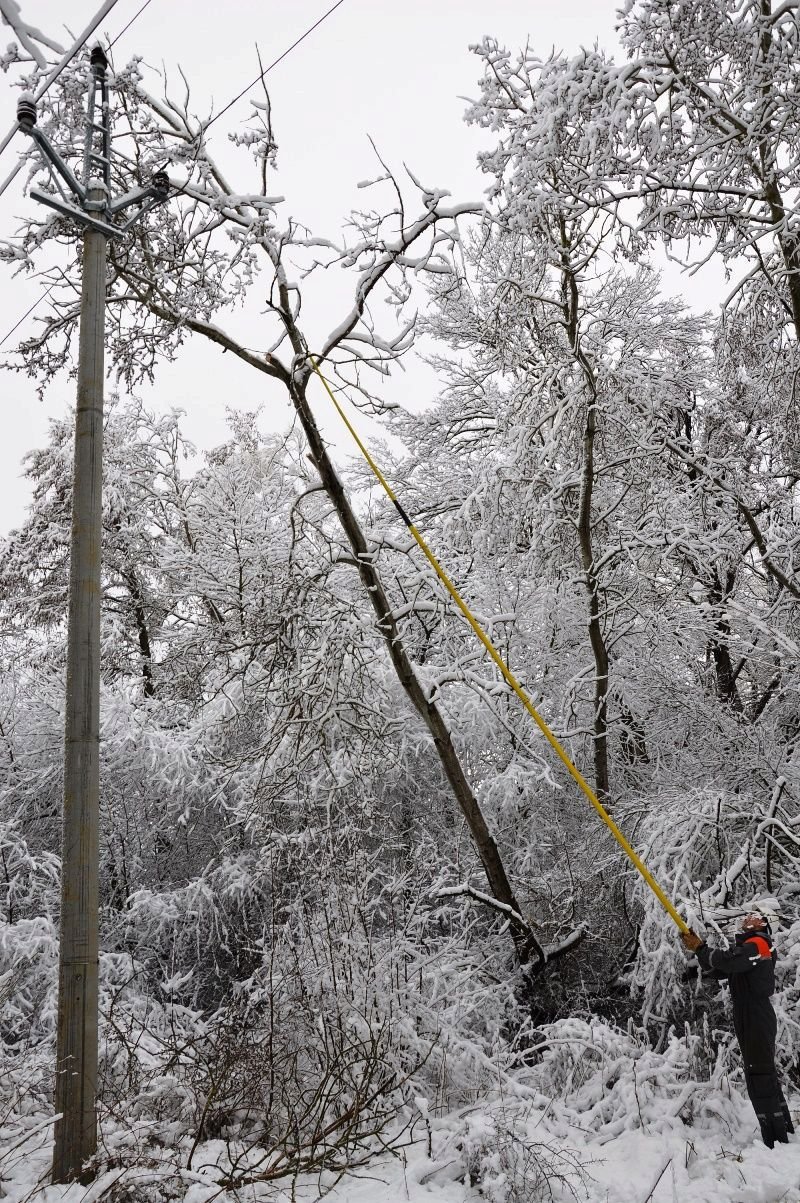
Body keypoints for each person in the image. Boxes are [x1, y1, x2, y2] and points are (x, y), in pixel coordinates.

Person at [682, 913, 793, 1149]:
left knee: (759, 1074)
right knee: (762, 1073)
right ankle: (784, 1131)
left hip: (755, 1013)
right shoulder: (748, 951)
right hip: (749, 1013)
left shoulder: (758, 943)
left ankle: (776, 1139)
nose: (746, 921)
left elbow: (728, 961)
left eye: (753, 919)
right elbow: (721, 968)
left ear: (763, 925)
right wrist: (699, 953)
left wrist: (701, 947)